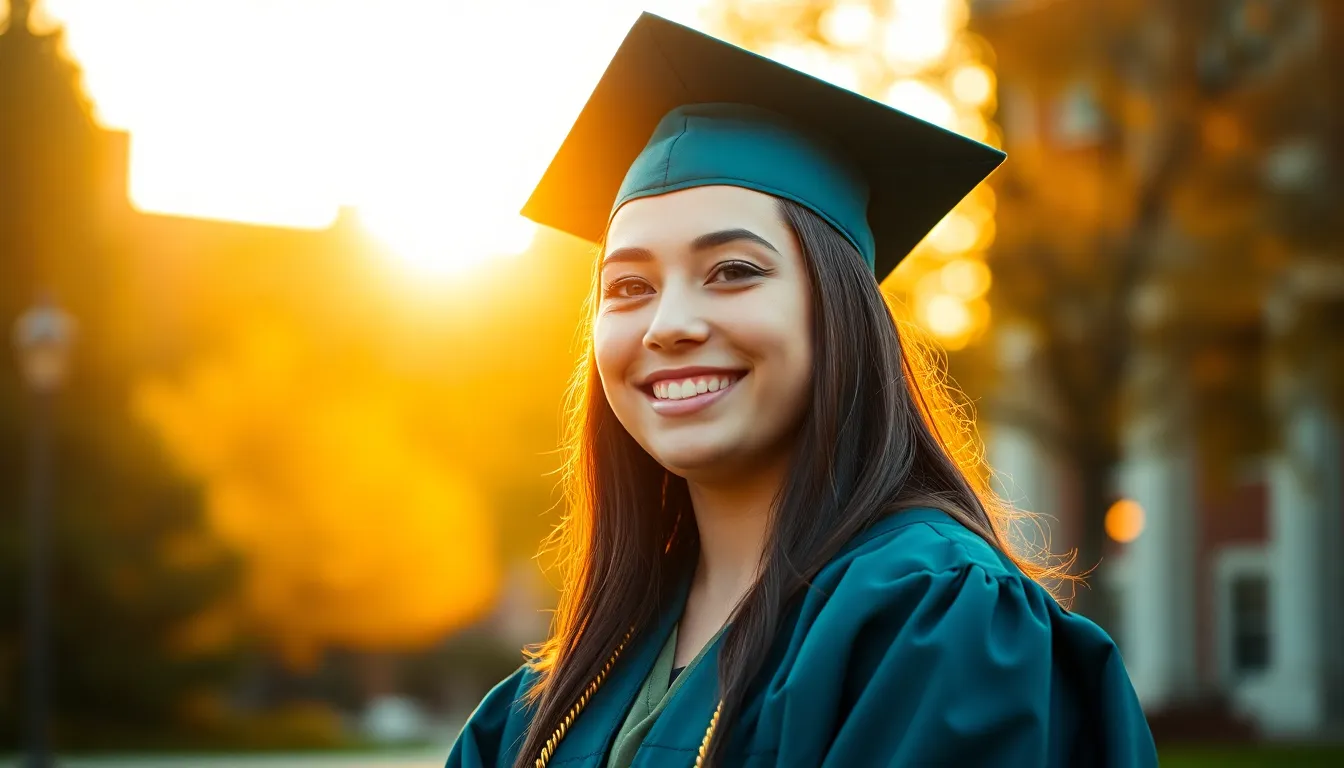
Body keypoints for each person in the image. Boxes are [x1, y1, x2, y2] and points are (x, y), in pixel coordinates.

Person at [446, 12, 1157, 768]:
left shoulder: (936, 621)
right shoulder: (547, 700)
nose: (669, 324)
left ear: (838, 310)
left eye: (734, 271)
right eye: (628, 286)